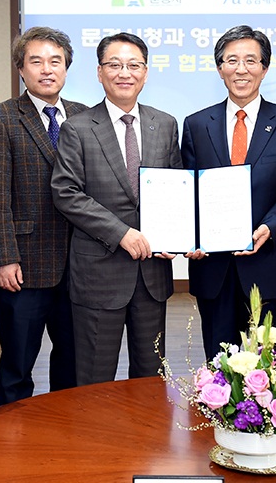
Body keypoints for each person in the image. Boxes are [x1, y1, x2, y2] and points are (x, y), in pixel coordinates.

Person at [51, 32, 182, 385]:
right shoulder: (77, 128)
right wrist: (121, 233)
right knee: (94, 380)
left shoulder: (165, 124)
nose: (125, 73)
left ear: (146, 72)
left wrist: (179, 235)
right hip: (98, 275)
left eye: (134, 65)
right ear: (99, 72)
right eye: (115, 64)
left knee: (150, 378)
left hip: (152, 275)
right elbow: (66, 192)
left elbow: (177, 187)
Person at [181, 25, 276, 358]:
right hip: (213, 268)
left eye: (251, 61)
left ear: (264, 68)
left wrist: (272, 226)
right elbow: (187, 188)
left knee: (269, 369)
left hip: (268, 263)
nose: (241, 69)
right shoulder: (197, 124)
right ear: (220, 69)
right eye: (232, 61)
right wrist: (189, 237)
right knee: (219, 366)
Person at [0, 27, 85, 405]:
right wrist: (3, 258)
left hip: (79, 265)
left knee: (73, 364)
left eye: (56, 61)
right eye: (36, 61)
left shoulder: (85, 117)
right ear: (21, 68)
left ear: (67, 67)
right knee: (17, 367)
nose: (47, 69)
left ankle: (66, 429)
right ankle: (10, 435)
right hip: (24, 266)